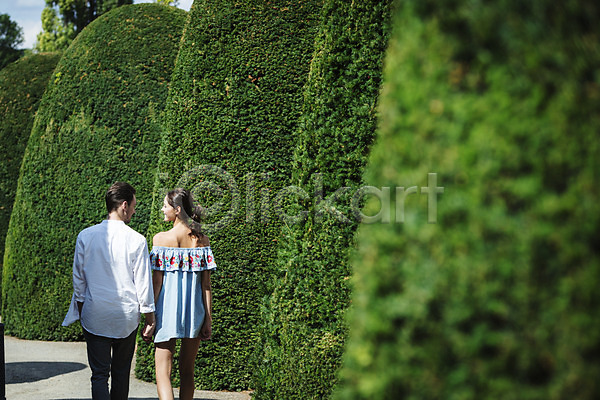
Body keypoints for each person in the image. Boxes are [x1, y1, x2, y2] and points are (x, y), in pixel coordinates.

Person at [62, 181, 156, 400]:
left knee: (99, 375)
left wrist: (82, 310)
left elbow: (79, 280)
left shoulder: (85, 236)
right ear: (124, 205)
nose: (134, 210)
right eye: (133, 205)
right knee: (121, 374)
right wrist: (150, 319)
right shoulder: (137, 240)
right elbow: (143, 283)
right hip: (126, 315)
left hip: (95, 312)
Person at [150, 188, 216, 400]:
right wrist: (208, 319)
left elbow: (157, 283)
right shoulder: (202, 240)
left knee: (163, 372)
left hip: (167, 312)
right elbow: (206, 285)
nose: (162, 209)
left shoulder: (161, 239)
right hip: (194, 312)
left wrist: (149, 317)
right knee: (187, 370)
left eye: (165, 206)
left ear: (177, 210)